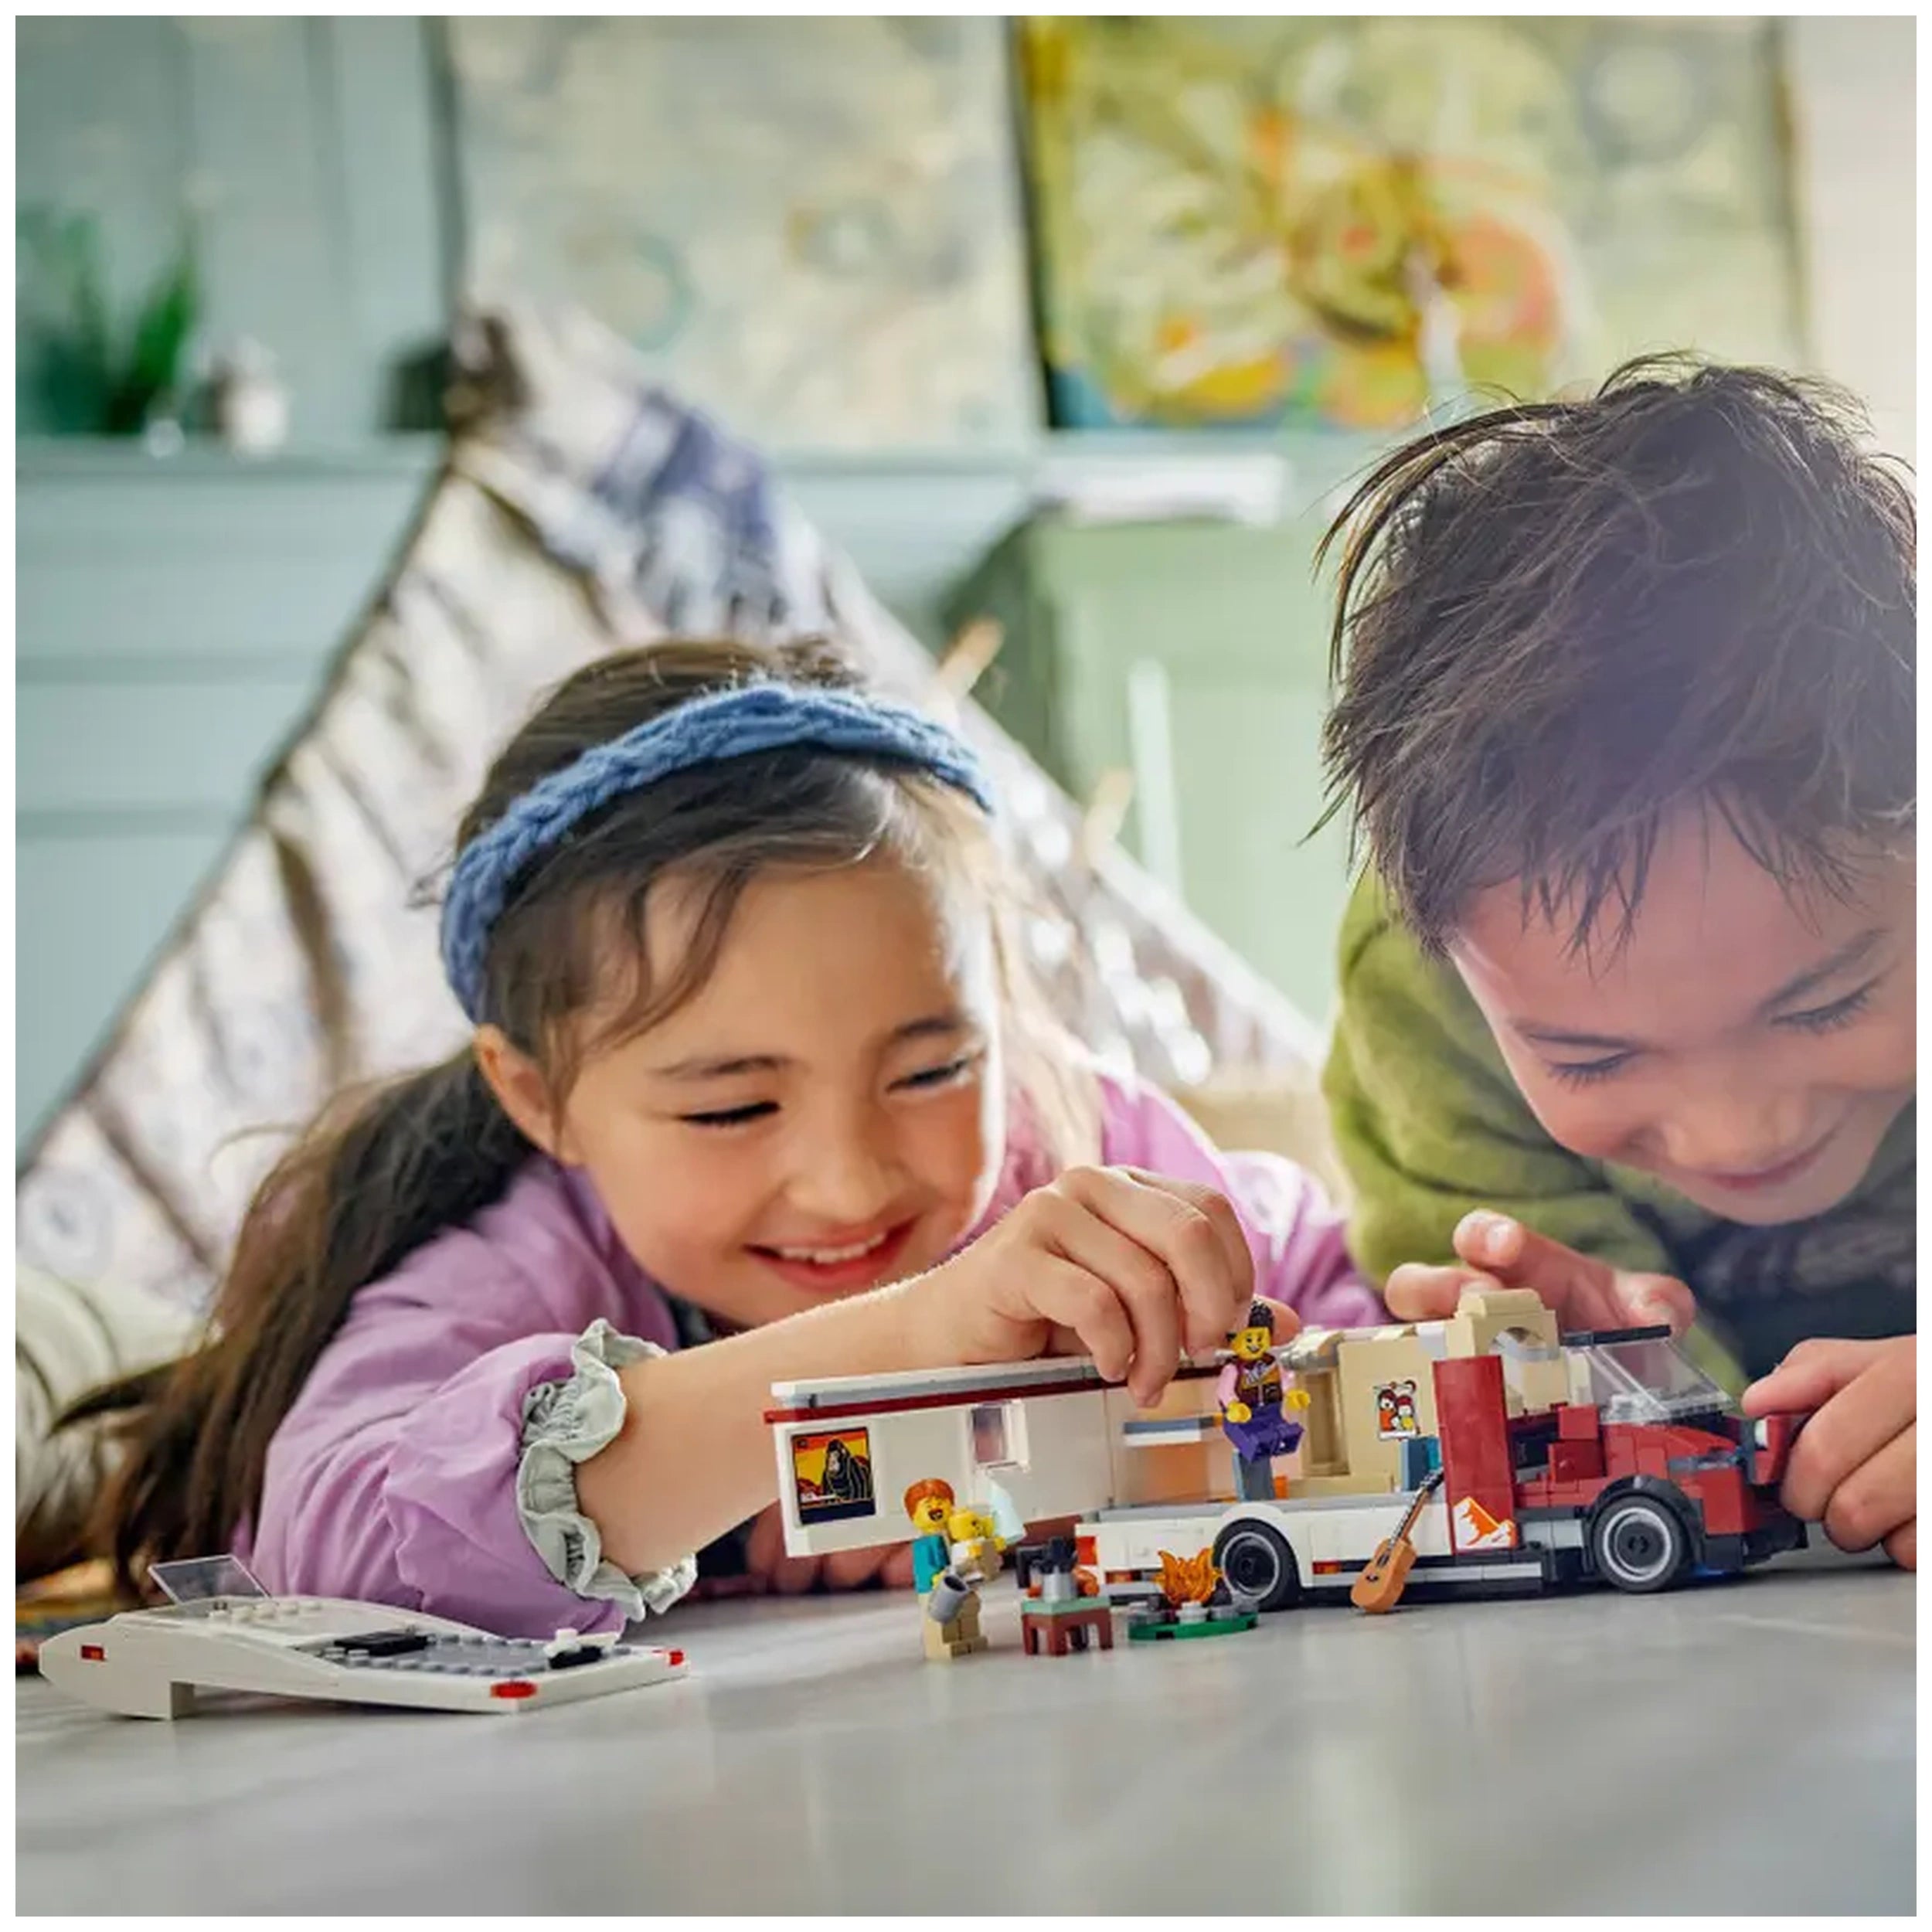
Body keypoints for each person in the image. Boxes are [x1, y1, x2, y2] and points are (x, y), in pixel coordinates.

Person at [78, 638, 1382, 1634]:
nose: (850, 1177)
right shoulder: (527, 1257)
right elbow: (336, 1543)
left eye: (933, 1068)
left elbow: (1330, 1320)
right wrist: (898, 1359)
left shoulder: (1073, 1143)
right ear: (539, 1099)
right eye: (732, 1106)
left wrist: (1066, 1470)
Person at [1317, 356, 1915, 1568]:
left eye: (1828, 1000)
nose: (1736, 1133)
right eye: (1589, 1056)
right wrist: (1619, 1384)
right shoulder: (1423, 1013)